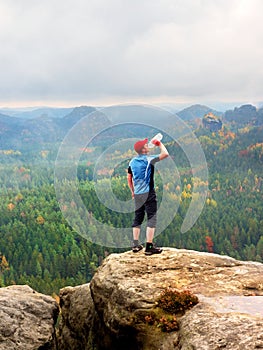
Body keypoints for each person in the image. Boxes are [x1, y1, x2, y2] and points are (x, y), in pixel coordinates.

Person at [127, 137, 169, 255]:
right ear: (143, 150)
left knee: (138, 217)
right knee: (151, 218)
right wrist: (159, 144)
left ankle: (135, 245)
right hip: (149, 193)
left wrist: (132, 191)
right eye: (145, 145)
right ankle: (149, 247)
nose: (147, 146)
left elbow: (129, 177)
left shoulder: (132, 162)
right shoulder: (149, 159)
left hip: (138, 194)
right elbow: (165, 154)